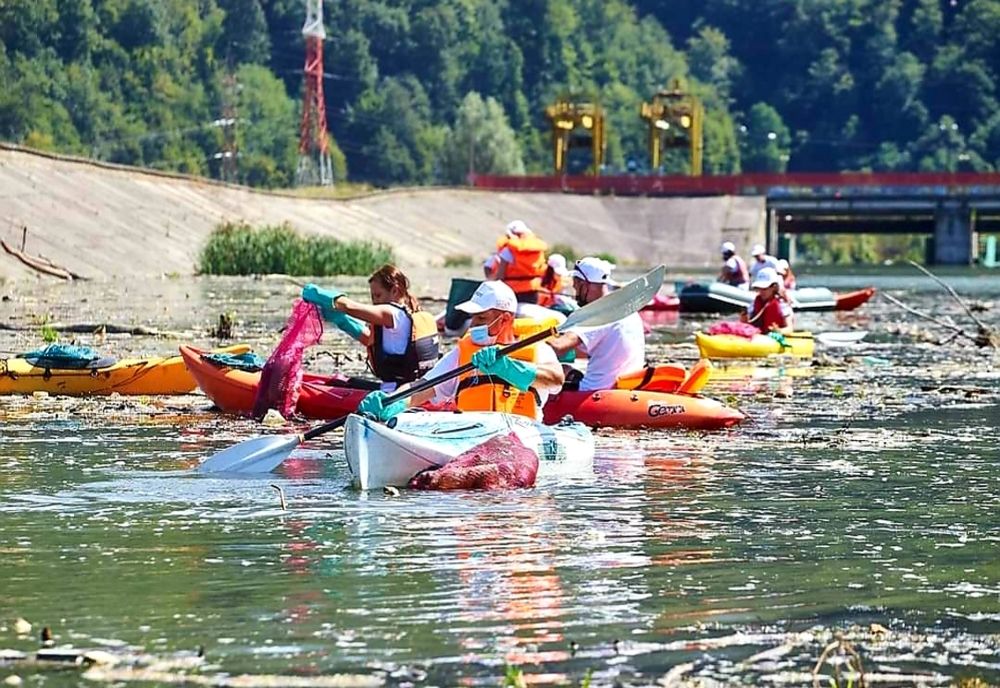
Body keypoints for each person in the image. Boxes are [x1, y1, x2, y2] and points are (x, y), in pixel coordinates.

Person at [355, 280, 565, 422]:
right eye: (473, 318)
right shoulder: (462, 354)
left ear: (506, 319)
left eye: (481, 318)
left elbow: (556, 380)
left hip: (522, 435)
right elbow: (423, 387)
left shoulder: (537, 348)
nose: (473, 325)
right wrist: (393, 400)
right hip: (472, 435)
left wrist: (508, 367)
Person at [301, 264, 440, 386]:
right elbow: (370, 340)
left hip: (397, 392)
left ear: (395, 291)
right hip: (408, 387)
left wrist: (317, 294)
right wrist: (342, 321)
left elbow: (349, 306)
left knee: (341, 383)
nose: (375, 302)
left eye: (378, 296)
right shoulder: (408, 315)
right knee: (342, 381)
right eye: (372, 297)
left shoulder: (391, 313)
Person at [547, 257, 646, 392]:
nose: (574, 289)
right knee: (566, 369)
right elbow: (586, 350)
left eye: (575, 284)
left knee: (554, 371)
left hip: (595, 391)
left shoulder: (596, 314)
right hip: (627, 388)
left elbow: (558, 347)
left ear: (583, 283)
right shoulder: (627, 309)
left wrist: (524, 344)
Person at [490, 220, 548, 304]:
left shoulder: (508, 251)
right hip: (532, 289)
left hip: (512, 291)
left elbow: (500, 275)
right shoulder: (537, 251)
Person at [741, 267, 793, 334]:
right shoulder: (754, 303)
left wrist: (779, 331)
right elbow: (746, 324)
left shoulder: (782, 305)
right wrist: (744, 318)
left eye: (765, 288)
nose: (761, 291)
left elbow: (789, 328)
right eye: (760, 288)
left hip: (775, 338)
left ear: (774, 287)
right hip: (758, 337)